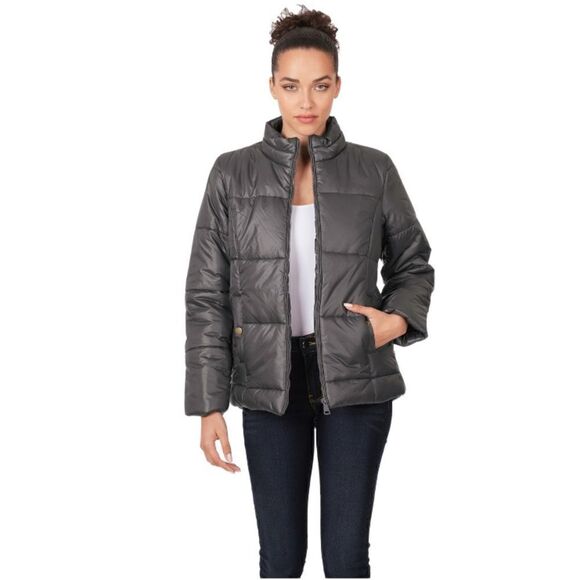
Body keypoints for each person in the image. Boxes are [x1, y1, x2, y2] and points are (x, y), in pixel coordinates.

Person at [184, 5, 435, 578]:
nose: (306, 102)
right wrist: (208, 403)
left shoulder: (373, 171)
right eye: (292, 85)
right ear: (272, 86)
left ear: (337, 86)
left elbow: (414, 264)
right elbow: (206, 294)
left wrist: (396, 321)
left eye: (320, 86)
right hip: (267, 382)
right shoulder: (231, 174)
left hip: (355, 375)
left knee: (346, 559)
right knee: (280, 560)